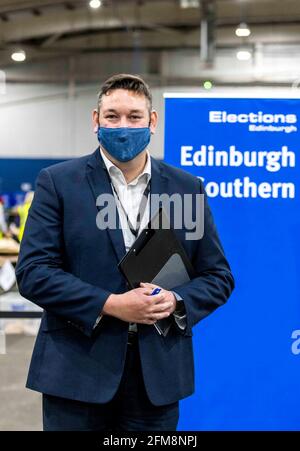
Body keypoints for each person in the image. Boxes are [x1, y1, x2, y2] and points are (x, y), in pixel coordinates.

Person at [15, 74, 234, 431]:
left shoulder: (187, 189)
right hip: (76, 373)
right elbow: (34, 272)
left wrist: (177, 301)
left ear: (152, 122)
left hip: (156, 380)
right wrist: (111, 304)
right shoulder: (58, 183)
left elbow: (218, 276)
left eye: (134, 117)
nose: (123, 126)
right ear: (95, 120)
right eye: (112, 116)